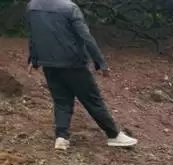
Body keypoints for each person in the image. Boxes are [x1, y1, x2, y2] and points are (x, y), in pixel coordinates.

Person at [26, 0, 138, 150]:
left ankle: (61, 137)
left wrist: (34, 59)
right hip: (74, 64)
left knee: (61, 101)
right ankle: (113, 135)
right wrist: (100, 63)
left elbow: (33, 34)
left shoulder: (33, 6)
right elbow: (86, 37)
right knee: (93, 100)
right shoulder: (69, 8)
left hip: (49, 64)